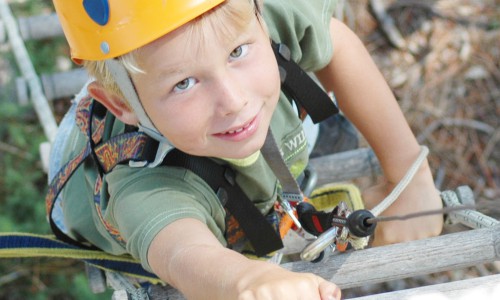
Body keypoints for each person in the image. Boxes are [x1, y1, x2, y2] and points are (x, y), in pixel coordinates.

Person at [49, 0, 443, 298]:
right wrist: (249, 279)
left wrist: (409, 172)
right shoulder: (144, 186)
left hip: (176, 111)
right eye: (184, 83)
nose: (233, 99)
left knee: (296, 115)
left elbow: (334, 40)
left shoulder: (241, 12)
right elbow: (181, 250)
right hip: (90, 179)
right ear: (122, 106)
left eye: (238, 53)